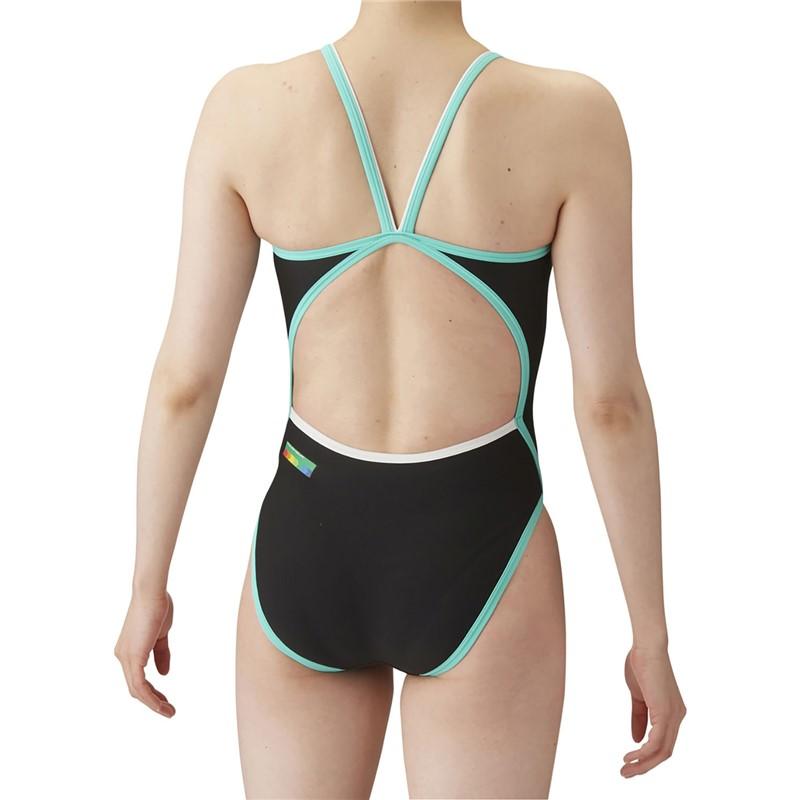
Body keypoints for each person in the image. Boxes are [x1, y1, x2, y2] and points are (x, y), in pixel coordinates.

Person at [114, 0, 686, 796]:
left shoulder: (246, 108)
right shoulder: (571, 116)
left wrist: (147, 584)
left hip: (307, 538)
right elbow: (610, 403)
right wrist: (650, 632)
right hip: (485, 541)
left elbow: (185, 381)